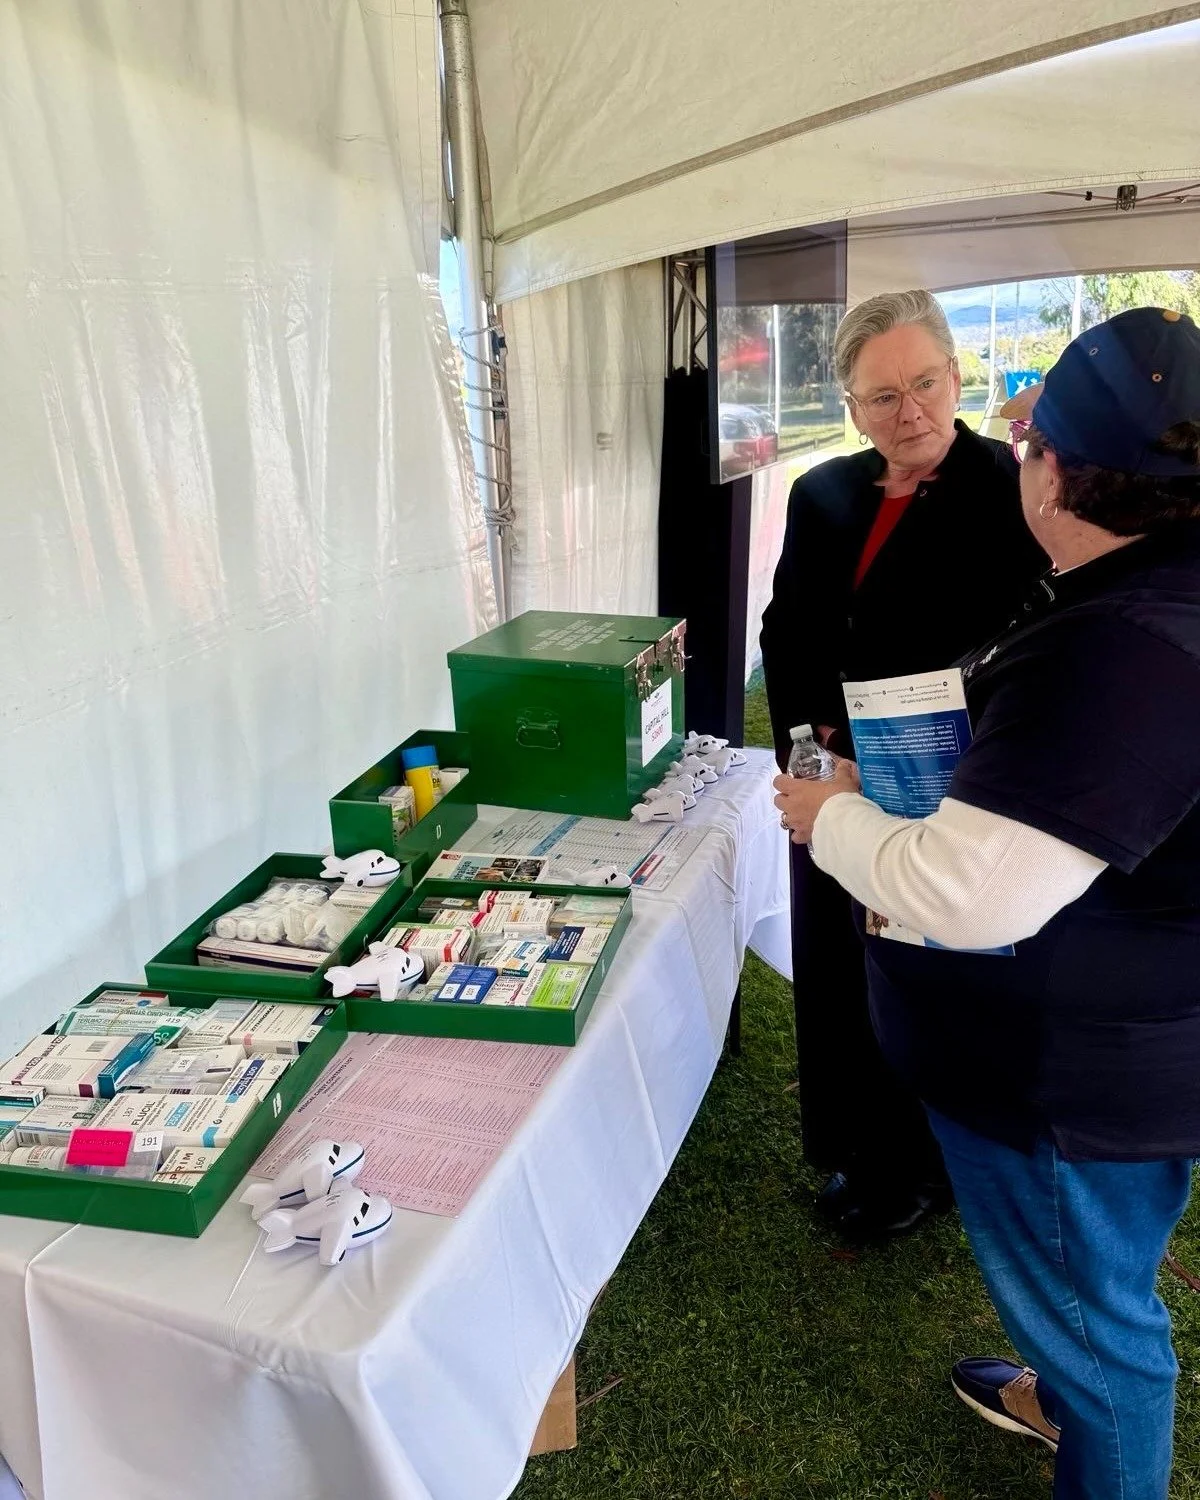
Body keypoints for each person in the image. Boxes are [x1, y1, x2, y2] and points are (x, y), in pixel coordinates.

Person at [773, 306, 1200, 1500]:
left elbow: (964, 893)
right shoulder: (1149, 588)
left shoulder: (1119, 647)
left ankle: (1086, 1408)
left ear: (1055, 470)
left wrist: (831, 819)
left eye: (1026, 433)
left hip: (1070, 1067)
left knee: (1102, 1324)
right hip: (1108, 1033)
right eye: (880, 394)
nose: (917, 414)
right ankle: (1059, 1391)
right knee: (1089, 1287)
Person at [760, 289, 1044, 1239]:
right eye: (881, 397)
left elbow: (1040, 639)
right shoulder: (823, 493)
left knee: (932, 979)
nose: (909, 411)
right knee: (843, 969)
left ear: (957, 377)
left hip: (948, 789)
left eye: (924, 383)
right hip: (833, 782)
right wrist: (811, 742)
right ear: (851, 408)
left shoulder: (1014, 490)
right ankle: (858, 1147)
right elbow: (786, 630)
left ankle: (927, 1169)